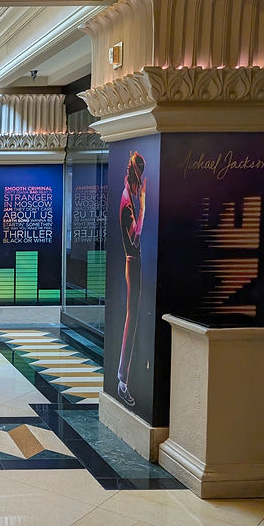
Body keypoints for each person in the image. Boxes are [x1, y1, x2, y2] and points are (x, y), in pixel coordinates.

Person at [117, 151, 146, 408]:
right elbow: (135, 236)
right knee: (131, 317)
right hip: (132, 265)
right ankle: (123, 379)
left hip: (134, 264)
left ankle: (123, 377)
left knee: (133, 318)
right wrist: (145, 203)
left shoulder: (129, 198)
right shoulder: (128, 202)